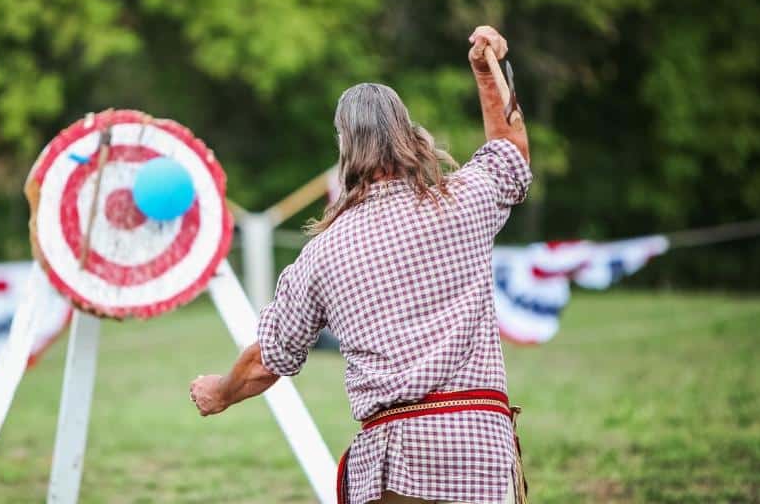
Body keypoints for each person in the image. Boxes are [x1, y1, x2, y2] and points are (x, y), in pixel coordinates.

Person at [190, 26, 531, 504]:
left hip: (393, 464)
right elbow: (511, 152)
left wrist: (221, 392)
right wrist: (485, 73)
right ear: (408, 131)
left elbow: (268, 359)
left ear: (344, 145)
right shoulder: (464, 201)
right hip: (479, 452)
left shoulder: (323, 253)